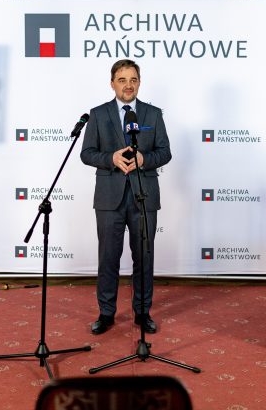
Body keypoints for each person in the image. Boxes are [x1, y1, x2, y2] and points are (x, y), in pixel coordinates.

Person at [80, 59, 172, 335]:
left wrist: (144, 159)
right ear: (112, 84)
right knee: (108, 258)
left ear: (139, 83)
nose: (128, 85)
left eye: (133, 80)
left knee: (143, 258)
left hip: (144, 195)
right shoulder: (97, 114)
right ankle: (106, 313)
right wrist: (111, 158)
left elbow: (165, 152)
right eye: (122, 80)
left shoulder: (153, 114)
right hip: (109, 198)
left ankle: (142, 313)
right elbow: (87, 153)